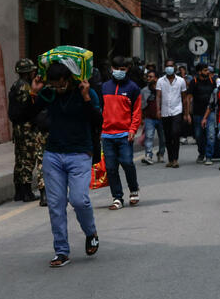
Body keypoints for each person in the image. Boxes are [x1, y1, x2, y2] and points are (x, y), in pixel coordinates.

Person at [26, 62, 102, 268]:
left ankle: (90, 232)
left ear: (69, 79)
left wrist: (86, 98)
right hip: (53, 155)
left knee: (79, 200)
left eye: (60, 85)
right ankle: (61, 251)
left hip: (79, 154)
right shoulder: (49, 94)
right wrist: (33, 93)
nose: (58, 89)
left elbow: (97, 121)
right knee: (56, 205)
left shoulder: (87, 93)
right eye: (54, 85)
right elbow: (27, 115)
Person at [100, 56, 142, 210]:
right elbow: (100, 110)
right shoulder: (104, 87)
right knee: (111, 168)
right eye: (116, 69)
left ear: (127, 70)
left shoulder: (133, 88)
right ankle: (117, 197)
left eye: (122, 69)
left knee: (127, 162)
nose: (119, 72)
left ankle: (133, 190)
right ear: (111, 69)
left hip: (125, 134)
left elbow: (136, 112)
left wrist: (132, 129)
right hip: (107, 134)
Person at [8, 58, 45, 203]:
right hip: (27, 127)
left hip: (18, 127)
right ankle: (26, 192)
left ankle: (18, 191)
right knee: (28, 159)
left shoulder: (15, 85)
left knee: (19, 158)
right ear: (28, 72)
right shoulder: (26, 87)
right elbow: (28, 108)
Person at [157, 59, 190, 168]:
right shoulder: (160, 81)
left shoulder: (181, 81)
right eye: (167, 66)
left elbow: (185, 98)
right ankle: (170, 159)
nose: (169, 68)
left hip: (177, 110)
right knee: (167, 136)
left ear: (175, 68)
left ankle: (175, 159)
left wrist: (186, 113)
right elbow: (158, 96)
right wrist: (158, 110)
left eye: (171, 66)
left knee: (175, 133)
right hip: (165, 112)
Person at [188, 64, 218, 165]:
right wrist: (187, 113)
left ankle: (209, 156)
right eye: (205, 70)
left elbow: (215, 97)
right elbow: (189, 98)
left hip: (211, 112)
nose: (208, 72)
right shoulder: (194, 82)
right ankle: (201, 153)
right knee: (198, 135)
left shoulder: (212, 81)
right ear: (200, 72)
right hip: (197, 113)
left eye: (208, 70)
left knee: (211, 135)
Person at [140, 69, 166, 165]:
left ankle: (161, 154)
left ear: (156, 78)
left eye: (151, 77)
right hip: (149, 118)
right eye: (148, 77)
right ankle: (148, 155)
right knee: (149, 137)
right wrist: (142, 118)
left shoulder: (162, 89)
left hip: (162, 117)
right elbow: (141, 105)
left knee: (163, 138)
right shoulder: (144, 91)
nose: (148, 78)